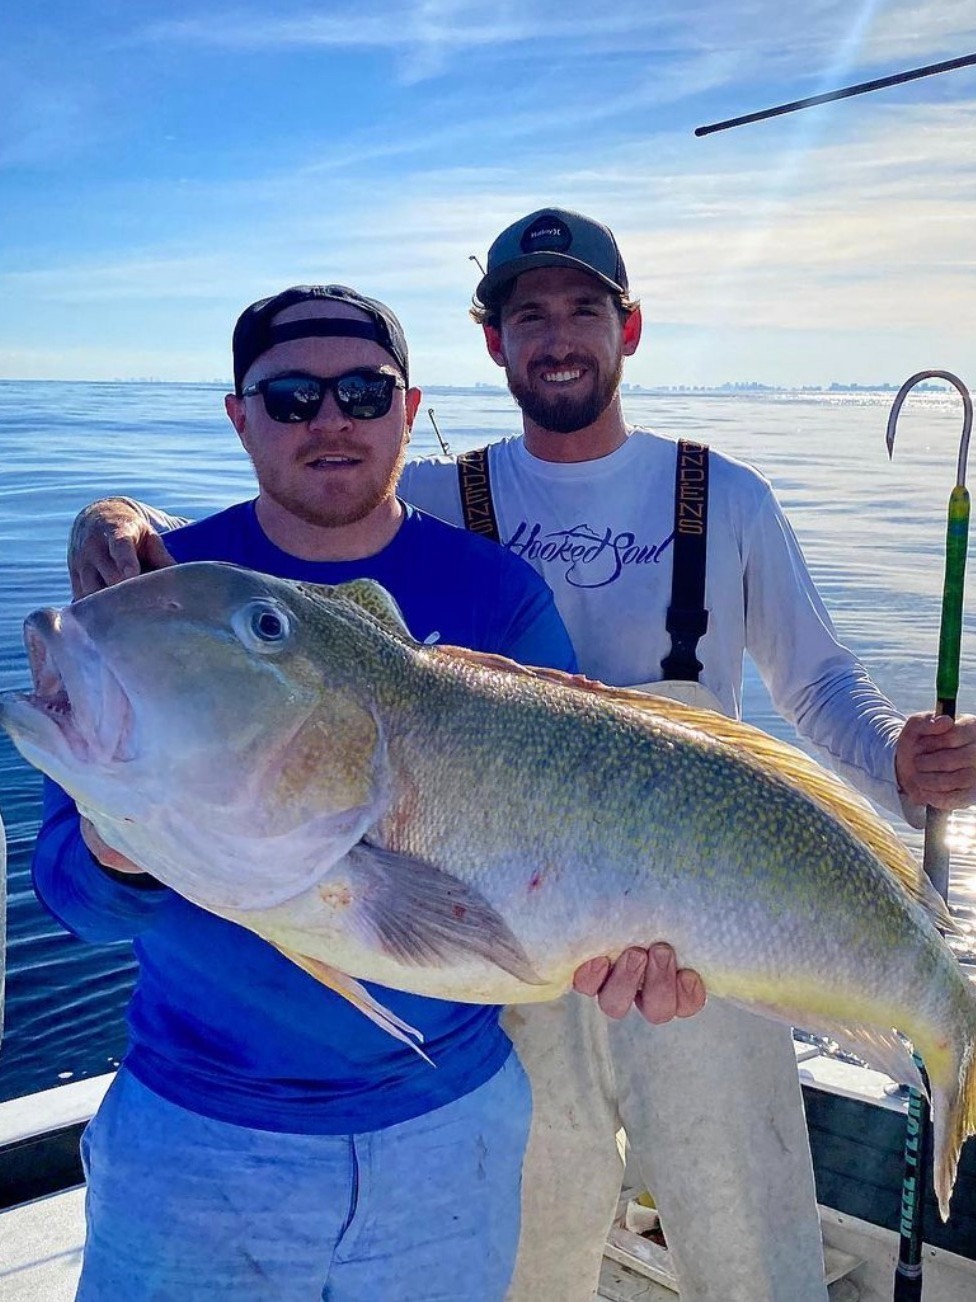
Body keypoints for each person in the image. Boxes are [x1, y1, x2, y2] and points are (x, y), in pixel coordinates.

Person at [67, 215, 976, 1302]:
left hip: (687, 896)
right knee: (539, 1238)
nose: (556, 337)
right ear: (490, 344)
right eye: (525, 315)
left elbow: (816, 680)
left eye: (582, 309)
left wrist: (893, 758)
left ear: (627, 327)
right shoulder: (446, 494)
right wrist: (113, 521)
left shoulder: (718, 495)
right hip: (494, 930)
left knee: (745, 1230)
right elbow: (269, 573)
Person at [38, 281, 703, 1302]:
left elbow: (585, 803)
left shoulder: (498, 594)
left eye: (362, 390)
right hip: (197, 1145)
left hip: (450, 1141)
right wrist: (115, 850)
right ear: (238, 416)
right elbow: (69, 898)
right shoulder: (164, 591)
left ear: (409, 404)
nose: (332, 419)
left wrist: (636, 950)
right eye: (292, 397)